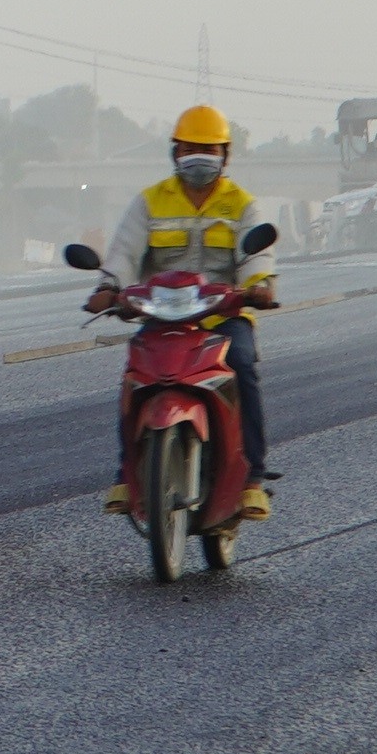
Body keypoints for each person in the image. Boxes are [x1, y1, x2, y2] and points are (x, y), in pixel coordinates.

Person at [93, 104, 281, 517]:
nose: (199, 157)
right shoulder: (149, 202)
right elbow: (124, 252)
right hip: (163, 319)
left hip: (222, 317)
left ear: (226, 155)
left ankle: (252, 479)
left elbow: (257, 257)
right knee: (134, 379)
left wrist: (258, 287)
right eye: (190, 148)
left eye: (208, 148)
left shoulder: (243, 205)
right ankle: (126, 475)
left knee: (243, 366)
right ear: (175, 152)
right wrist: (109, 288)